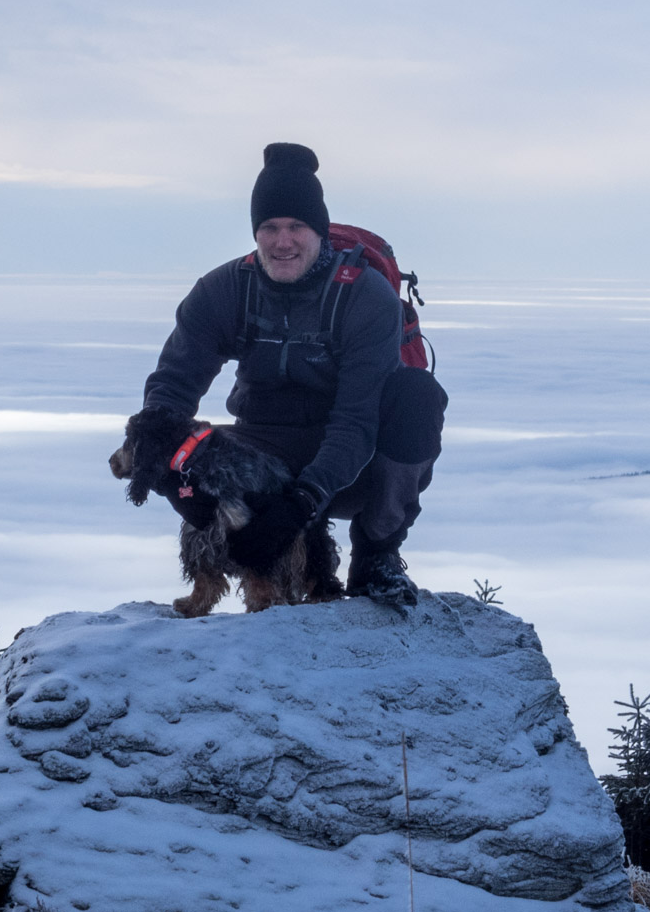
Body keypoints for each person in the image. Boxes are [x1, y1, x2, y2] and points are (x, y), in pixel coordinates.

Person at [132, 142, 447, 605]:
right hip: (257, 456)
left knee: (418, 396)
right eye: (270, 228)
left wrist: (302, 501)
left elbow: (356, 422)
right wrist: (164, 463)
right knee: (192, 445)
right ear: (255, 232)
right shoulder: (224, 290)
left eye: (296, 226)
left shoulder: (364, 296)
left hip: (352, 465)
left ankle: (376, 556)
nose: (283, 242)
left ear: (318, 230)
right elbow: (173, 386)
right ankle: (221, 581)